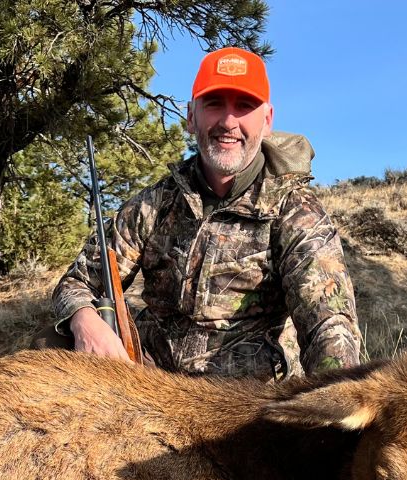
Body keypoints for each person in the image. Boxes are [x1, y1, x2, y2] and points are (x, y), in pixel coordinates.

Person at [43, 47, 361, 380]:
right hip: (150, 377)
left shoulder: (297, 213)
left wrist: (336, 395)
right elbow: (78, 281)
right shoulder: (155, 203)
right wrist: (85, 319)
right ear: (191, 116)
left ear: (266, 120)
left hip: (242, 397)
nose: (228, 122)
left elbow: (330, 325)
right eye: (214, 104)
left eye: (243, 106)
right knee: (50, 344)